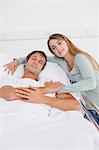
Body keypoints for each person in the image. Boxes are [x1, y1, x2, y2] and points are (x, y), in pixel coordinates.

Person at [4, 33, 99, 124]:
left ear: (66, 41)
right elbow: (37, 58)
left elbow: (91, 83)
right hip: (91, 106)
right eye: (54, 47)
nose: (58, 48)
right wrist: (17, 60)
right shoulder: (60, 61)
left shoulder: (79, 57)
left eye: (59, 43)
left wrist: (60, 89)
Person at [0, 50, 80, 111]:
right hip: (9, 116)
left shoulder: (48, 84)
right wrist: (45, 90)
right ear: (26, 62)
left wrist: (42, 99)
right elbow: (10, 95)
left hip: (38, 120)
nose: (36, 62)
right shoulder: (9, 79)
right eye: (33, 59)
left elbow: (75, 104)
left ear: (42, 69)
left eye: (40, 62)